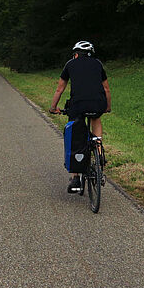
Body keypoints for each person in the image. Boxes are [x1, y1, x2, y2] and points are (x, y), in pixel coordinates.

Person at [50, 41, 111, 193]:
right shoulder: (98, 64)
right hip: (97, 103)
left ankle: (75, 178)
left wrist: (53, 108)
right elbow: (106, 88)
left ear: (76, 54)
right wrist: (107, 107)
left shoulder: (70, 64)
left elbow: (59, 89)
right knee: (96, 118)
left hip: (77, 105)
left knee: (75, 131)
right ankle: (99, 149)